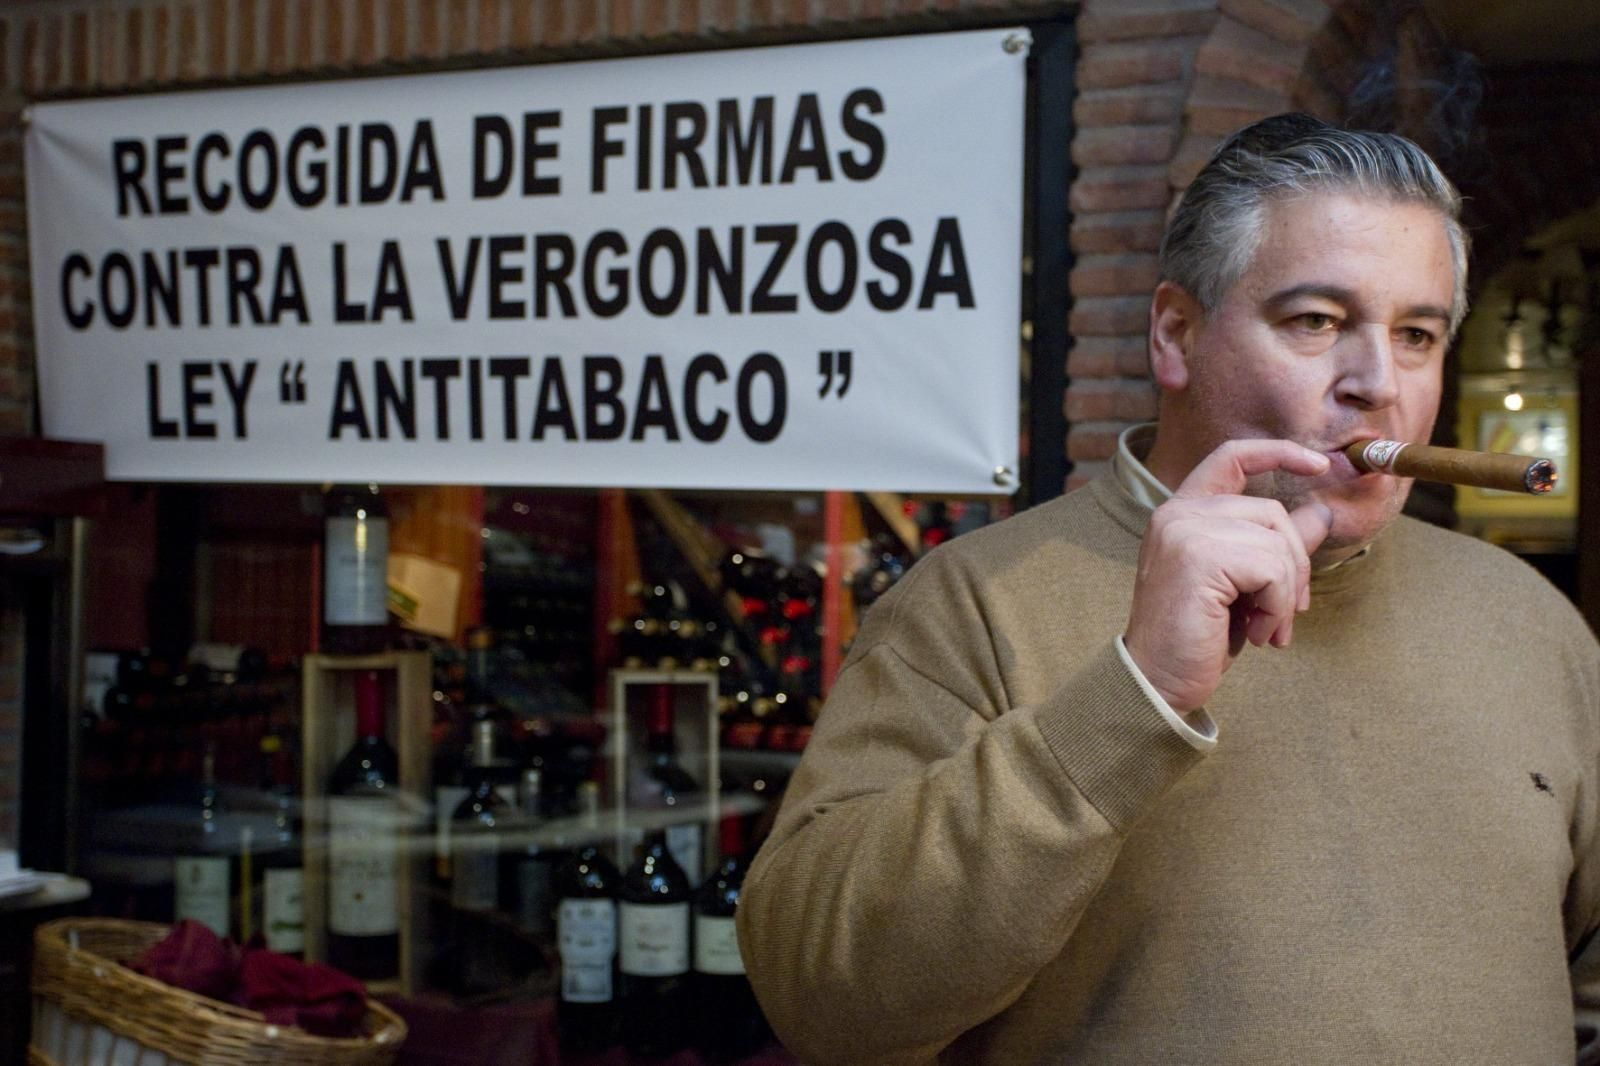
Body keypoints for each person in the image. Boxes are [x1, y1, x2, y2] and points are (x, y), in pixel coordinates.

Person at [735, 112, 1600, 1064]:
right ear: (1176, 335)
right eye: (1316, 321)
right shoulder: (974, 603)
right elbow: (822, 999)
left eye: (1417, 335)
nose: (1377, 383)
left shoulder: (1529, 619)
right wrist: (1132, 695)